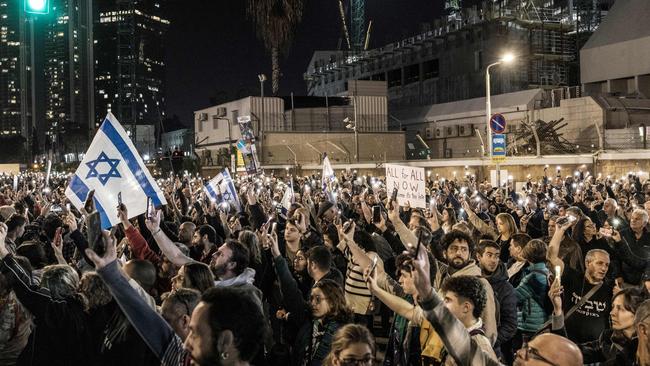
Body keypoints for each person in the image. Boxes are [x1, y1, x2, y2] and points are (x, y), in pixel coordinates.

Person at [85, 229, 267, 366]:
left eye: (195, 333)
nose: (185, 343)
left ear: (225, 342)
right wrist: (110, 270)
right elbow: (147, 319)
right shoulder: (184, 360)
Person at [408, 238, 584, 366]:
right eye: (527, 348)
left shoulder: (506, 288)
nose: (520, 352)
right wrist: (425, 291)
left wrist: (488, 342)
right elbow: (456, 336)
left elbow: (506, 325)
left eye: (532, 353)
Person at [0, 223, 93, 366]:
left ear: (54, 293)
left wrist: (3, 251)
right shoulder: (79, 305)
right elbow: (70, 279)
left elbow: (28, 290)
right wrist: (59, 255)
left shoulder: (58, 314)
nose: (41, 290)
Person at [266, 228, 352, 366]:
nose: (312, 303)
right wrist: (276, 255)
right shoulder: (312, 320)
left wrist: (278, 256)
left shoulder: (340, 335)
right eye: (311, 298)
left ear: (332, 300)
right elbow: (293, 294)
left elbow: (293, 294)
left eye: (318, 299)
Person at [547, 219, 614, 343]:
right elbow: (551, 257)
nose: (604, 268)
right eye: (599, 263)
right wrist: (559, 230)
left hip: (594, 353)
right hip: (567, 343)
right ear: (587, 263)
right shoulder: (573, 277)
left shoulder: (610, 289)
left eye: (607, 265)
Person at [551, 284, 648, 365]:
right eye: (613, 307)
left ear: (637, 313)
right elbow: (571, 353)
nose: (612, 313)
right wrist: (558, 310)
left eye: (620, 309)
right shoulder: (608, 339)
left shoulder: (645, 346)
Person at [475, 240, 517, 361]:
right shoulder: (470, 280)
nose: (493, 260)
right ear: (478, 256)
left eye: (497, 256)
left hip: (493, 350)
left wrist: (490, 340)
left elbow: (510, 324)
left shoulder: (506, 288)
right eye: (489, 255)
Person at [514, 239, 549, 351]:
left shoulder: (531, 278)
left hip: (529, 326)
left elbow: (514, 298)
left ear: (528, 255)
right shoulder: (548, 272)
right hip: (544, 323)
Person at [612, 208, 650, 286]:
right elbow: (615, 257)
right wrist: (618, 275)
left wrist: (646, 279)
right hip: (624, 278)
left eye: (637, 219)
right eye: (632, 218)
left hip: (642, 279)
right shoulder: (621, 234)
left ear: (644, 223)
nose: (633, 220)